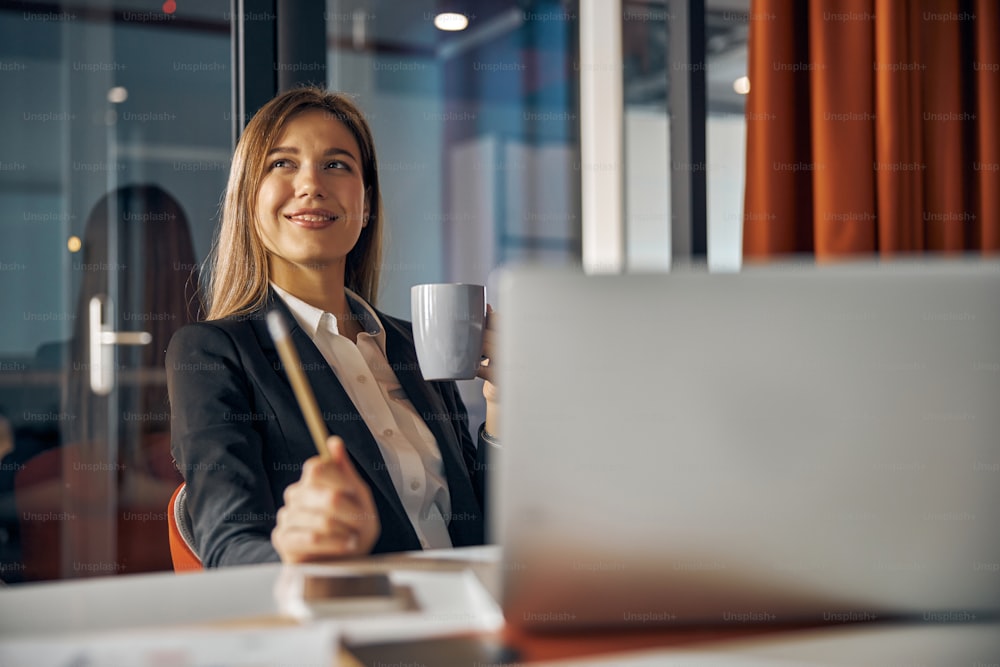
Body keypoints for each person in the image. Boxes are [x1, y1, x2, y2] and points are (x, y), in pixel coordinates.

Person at [166, 87, 498, 567]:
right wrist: (298, 552)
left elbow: (484, 530)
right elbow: (229, 546)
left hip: (473, 611)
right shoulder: (212, 353)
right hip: (353, 621)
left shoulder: (413, 345)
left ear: (366, 207)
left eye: (337, 165)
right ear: (248, 200)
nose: (311, 184)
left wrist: (501, 404)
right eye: (282, 163)